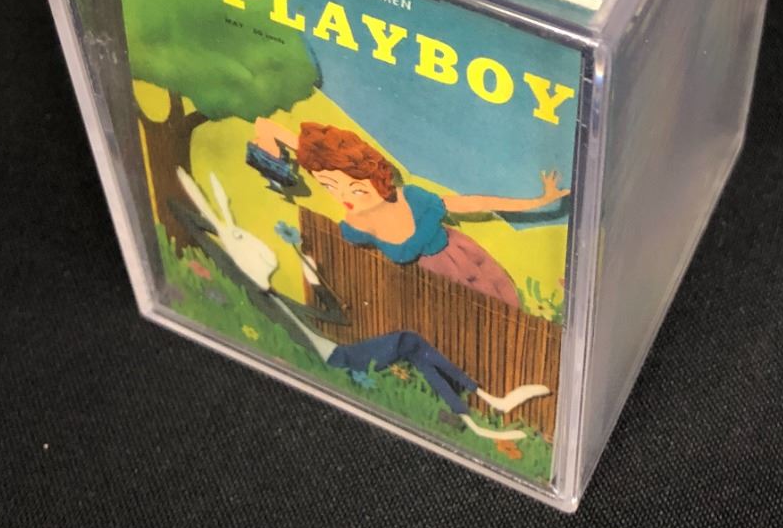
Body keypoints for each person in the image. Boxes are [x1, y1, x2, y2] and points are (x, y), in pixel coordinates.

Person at [173, 169, 549, 442]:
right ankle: (479, 409)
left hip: (340, 350)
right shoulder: (261, 300)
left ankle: (479, 406)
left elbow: (333, 316)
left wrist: (315, 280)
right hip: (335, 360)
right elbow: (213, 249)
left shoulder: (277, 298)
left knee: (414, 346)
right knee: (411, 344)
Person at [250, 116, 568, 307]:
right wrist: (269, 153)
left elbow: (475, 203)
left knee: (502, 308)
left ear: (376, 178)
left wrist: (537, 202)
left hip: (464, 264)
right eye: (330, 187)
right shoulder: (354, 224)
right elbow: (271, 128)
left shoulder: (412, 198)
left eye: (356, 189)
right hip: (423, 290)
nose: (344, 197)